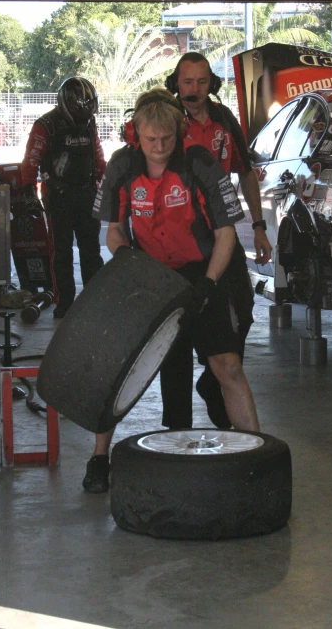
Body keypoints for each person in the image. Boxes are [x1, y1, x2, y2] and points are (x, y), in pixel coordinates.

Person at [85, 89, 260, 493]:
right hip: (147, 274)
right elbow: (111, 231)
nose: (159, 147)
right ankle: (98, 458)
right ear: (136, 134)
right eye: (151, 140)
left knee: (228, 366)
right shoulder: (122, 166)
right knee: (118, 369)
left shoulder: (199, 162)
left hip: (204, 272)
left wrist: (210, 284)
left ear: (178, 133)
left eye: (167, 139)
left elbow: (226, 233)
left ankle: (257, 454)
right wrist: (129, 260)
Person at [164, 52, 272, 429]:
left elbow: (245, 173)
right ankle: (178, 427)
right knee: (178, 333)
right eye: (187, 82)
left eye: (201, 82)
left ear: (213, 84)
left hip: (225, 237)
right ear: (175, 83)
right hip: (182, 244)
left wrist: (259, 226)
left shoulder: (225, 120)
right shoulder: (168, 122)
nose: (194, 91)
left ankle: (214, 382)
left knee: (243, 313)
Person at [21, 76, 107, 319]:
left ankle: (94, 299)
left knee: (91, 251)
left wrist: (108, 183)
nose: (87, 115)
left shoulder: (90, 124)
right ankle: (65, 302)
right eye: (83, 110)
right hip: (58, 195)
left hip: (87, 192)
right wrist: (29, 191)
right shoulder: (46, 125)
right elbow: (31, 160)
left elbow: (98, 157)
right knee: (61, 252)